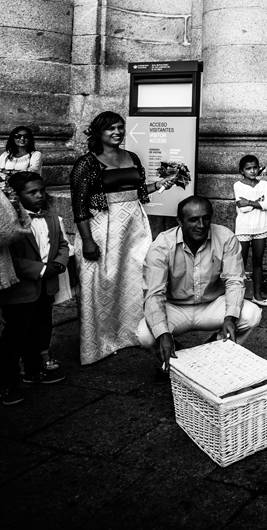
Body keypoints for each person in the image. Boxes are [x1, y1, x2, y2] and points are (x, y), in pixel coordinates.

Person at [70, 111, 175, 364]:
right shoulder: (87, 163)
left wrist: (161, 184)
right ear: (98, 132)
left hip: (134, 227)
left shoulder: (132, 156)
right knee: (102, 282)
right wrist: (87, 241)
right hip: (102, 227)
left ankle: (134, 335)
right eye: (110, 128)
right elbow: (80, 206)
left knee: (137, 277)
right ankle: (101, 343)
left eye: (120, 127)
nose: (117, 132)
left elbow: (138, 191)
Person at [138, 195, 262, 377]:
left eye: (206, 218)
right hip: (175, 307)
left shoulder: (225, 237)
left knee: (251, 315)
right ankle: (171, 363)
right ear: (179, 221)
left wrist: (230, 317)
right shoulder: (162, 245)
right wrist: (163, 334)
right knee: (145, 335)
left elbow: (235, 280)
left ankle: (211, 355)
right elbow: (153, 294)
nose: (201, 225)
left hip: (211, 304)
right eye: (193, 219)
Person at [0, 172, 68, 406]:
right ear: (17, 196)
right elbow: (10, 258)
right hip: (21, 291)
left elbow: (63, 245)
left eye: (41, 190)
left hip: (46, 287)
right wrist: (40, 269)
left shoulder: (52, 218)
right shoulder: (9, 224)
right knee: (14, 335)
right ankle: (7, 383)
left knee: (41, 330)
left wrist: (59, 263)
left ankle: (33, 370)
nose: (39, 196)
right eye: (32, 192)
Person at [234, 154, 267, 306]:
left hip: (261, 226)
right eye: (248, 168)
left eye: (255, 168)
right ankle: (237, 298)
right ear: (242, 171)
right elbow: (242, 208)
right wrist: (259, 202)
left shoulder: (263, 185)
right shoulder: (238, 185)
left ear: (259, 168)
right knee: (241, 263)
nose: (252, 171)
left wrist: (250, 202)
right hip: (244, 227)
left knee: (258, 261)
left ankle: (257, 296)